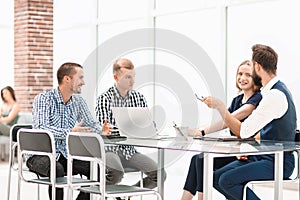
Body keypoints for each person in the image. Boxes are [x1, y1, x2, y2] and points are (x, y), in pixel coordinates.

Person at [203, 44, 297, 200]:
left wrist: (220, 107)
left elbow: (243, 131)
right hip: (264, 156)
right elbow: (261, 133)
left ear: (258, 67)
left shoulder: (275, 96)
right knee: (215, 178)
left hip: (278, 162)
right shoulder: (272, 92)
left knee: (226, 181)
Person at [27, 62, 110, 200]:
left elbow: (90, 124)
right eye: (80, 78)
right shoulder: (44, 99)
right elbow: (41, 129)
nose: (83, 82)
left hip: (66, 154)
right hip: (40, 155)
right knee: (57, 169)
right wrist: (69, 132)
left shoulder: (78, 102)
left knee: (97, 169)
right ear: (67, 79)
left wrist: (101, 130)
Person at [181, 60, 262, 200]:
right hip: (238, 150)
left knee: (202, 159)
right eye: (240, 74)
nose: (242, 78)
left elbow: (232, 117)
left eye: (248, 75)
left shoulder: (257, 99)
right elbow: (225, 121)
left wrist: (201, 131)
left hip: (250, 153)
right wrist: (199, 130)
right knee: (197, 158)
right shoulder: (237, 100)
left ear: (256, 78)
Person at [95, 58, 165, 189]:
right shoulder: (105, 99)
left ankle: (128, 196)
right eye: (128, 77)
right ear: (116, 77)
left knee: (159, 174)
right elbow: (105, 130)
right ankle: (100, 195)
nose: (132, 81)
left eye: (133, 76)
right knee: (116, 173)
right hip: (110, 150)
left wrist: (150, 129)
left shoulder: (139, 98)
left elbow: (149, 124)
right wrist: (130, 129)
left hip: (130, 151)